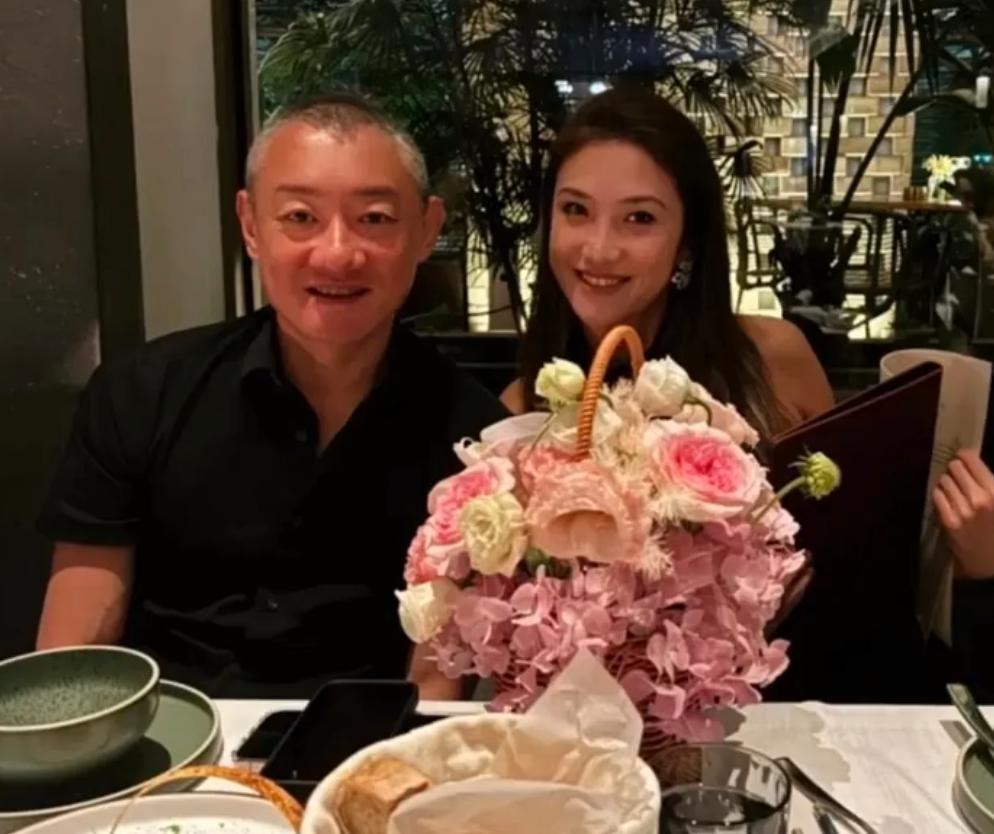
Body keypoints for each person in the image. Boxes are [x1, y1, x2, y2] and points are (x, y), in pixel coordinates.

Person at [35, 92, 507, 698]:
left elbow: (436, 674)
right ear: (251, 225)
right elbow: (75, 646)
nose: (337, 253)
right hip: (168, 732)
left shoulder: (474, 438)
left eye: (374, 219)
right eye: (301, 217)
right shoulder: (140, 394)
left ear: (427, 230)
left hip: (363, 741)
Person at [502, 87, 833, 434]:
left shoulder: (773, 362)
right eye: (576, 209)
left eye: (639, 217)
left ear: (687, 241)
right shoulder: (517, 417)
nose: (599, 250)